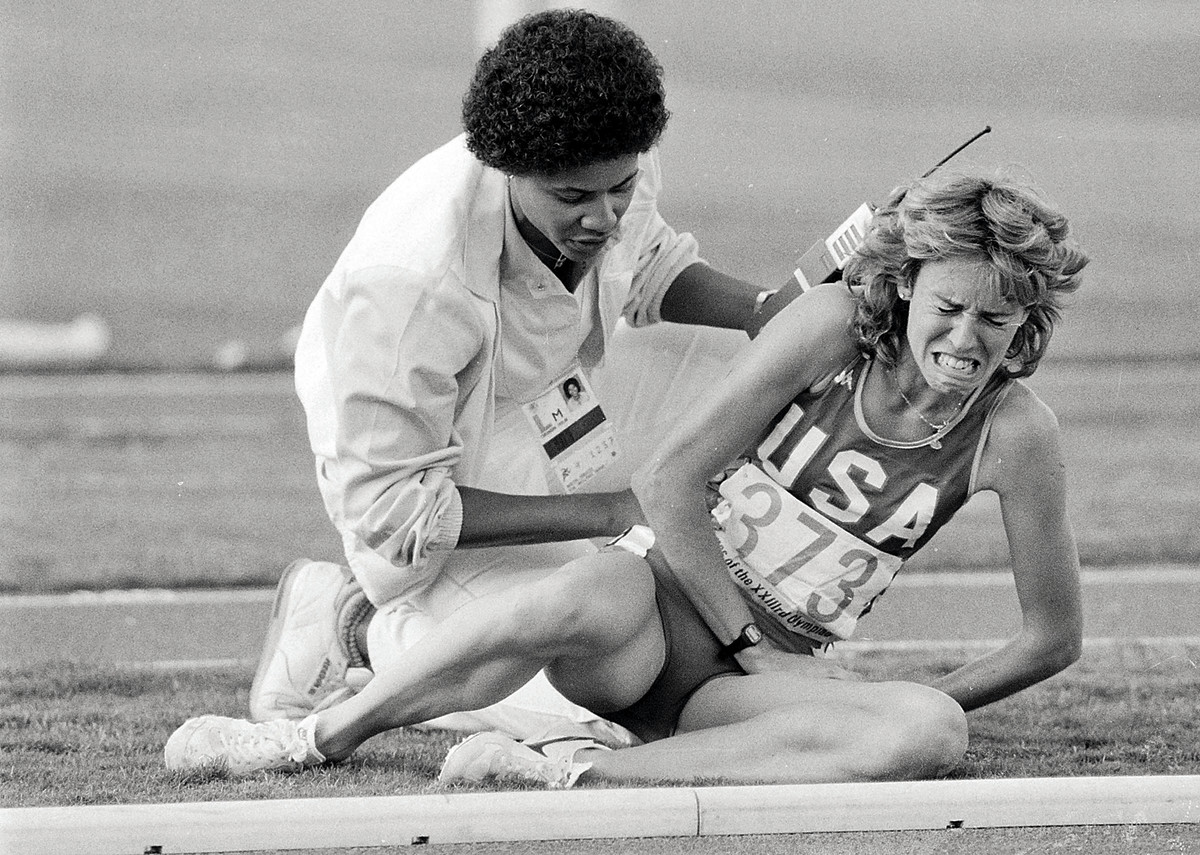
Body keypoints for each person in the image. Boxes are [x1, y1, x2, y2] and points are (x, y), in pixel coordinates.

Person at [165, 168, 1088, 786]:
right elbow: (674, 477)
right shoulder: (836, 328)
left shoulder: (1016, 434)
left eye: (998, 322)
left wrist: (881, 699)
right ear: (908, 287)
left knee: (930, 731)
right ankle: (305, 737)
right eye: (949, 307)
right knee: (601, 581)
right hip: (647, 616)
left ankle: (570, 775)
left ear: (1029, 325)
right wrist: (742, 633)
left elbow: (1051, 638)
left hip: (739, 689)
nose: (966, 341)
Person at [243, 8, 774, 746]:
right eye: (573, 198)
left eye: (618, 188)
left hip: (557, 400)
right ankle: (347, 620)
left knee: (769, 367)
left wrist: (770, 311)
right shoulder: (411, 285)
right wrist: (611, 511)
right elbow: (398, 514)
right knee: (611, 707)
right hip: (431, 468)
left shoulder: (611, 159)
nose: (603, 217)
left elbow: (647, 263)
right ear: (507, 163)